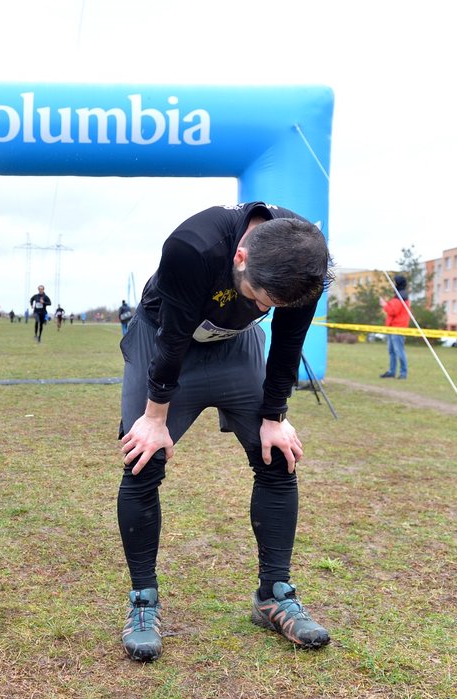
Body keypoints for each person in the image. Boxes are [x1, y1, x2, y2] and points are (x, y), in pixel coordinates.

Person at [115, 202, 332, 662]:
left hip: (234, 348)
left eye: (270, 306)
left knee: (277, 455)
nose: (258, 308)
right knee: (142, 459)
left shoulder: (305, 262)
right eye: (258, 297)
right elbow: (171, 339)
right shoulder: (192, 247)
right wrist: (155, 419)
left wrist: (275, 415)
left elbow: (288, 343)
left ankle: (274, 595)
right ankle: (142, 601)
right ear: (240, 257)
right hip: (166, 338)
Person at [379, 274, 410, 379]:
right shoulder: (400, 296)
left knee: (399, 351)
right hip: (392, 328)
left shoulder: (400, 297)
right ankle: (392, 371)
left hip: (397, 328)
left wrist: (384, 304)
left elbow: (393, 311)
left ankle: (403, 373)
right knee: (392, 351)